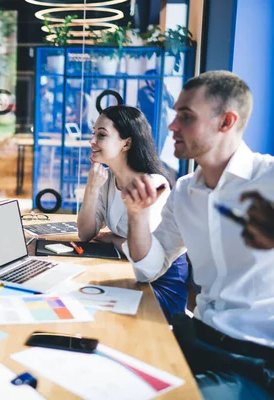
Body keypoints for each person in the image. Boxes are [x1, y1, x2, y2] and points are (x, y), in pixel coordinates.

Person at [121, 71, 274, 398]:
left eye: (186, 117)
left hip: (256, 361)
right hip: (198, 340)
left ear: (226, 122)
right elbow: (149, 268)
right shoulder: (184, 191)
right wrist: (137, 216)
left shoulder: (269, 179)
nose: (172, 126)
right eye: (176, 114)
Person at [77, 105, 188, 322]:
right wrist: (92, 187)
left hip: (159, 285)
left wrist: (115, 239)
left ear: (126, 143)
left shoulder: (152, 185)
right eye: (93, 133)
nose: (92, 141)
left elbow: (149, 259)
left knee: (88, 307)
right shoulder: (107, 180)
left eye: (101, 135)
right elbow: (85, 234)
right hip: (130, 270)